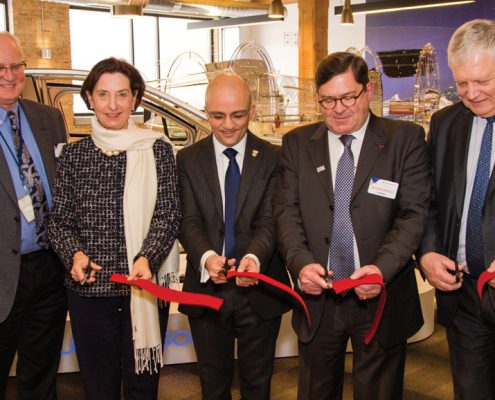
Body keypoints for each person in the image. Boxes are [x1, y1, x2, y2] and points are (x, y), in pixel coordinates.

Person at [273, 52, 430, 400]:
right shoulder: (297, 144)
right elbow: (286, 213)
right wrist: (300, 264)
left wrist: (380, 270)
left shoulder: (404, 139)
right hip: (319, 297)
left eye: (348, 97)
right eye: (328, 100)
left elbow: (413, 214)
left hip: (380, 295)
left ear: (368, 90)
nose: (338, 108)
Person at [48, 57, 180, 400]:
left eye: (122, 94)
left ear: (135, 98)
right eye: (103, 94)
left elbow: (168, 213)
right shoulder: (73, 157)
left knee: (142, 387)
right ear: (89, 98)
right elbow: (59, 220)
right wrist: (74, 255)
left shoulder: (157, 150)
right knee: (98, 386)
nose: (113, 104)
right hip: (90, 293)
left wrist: (146, 258)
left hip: (144, 288)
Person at [177, 72, 290, 400]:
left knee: (258, 386)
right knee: (213, 387)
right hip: (207, 291)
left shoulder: (273, 158)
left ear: (252, 110)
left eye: (238, 115)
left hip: (260, 291)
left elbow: (271, 221)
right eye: (218, 115)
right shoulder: (187, 159)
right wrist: (207, 257)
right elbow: (188, 220)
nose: (228, 124)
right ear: (205, 111)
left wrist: (253, 259)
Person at [419, 19, 495, 399]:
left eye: (482, 81)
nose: (471, 93)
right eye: (462, 83)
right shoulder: (446, 123)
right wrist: (429, 252)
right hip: (463, 294)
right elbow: (429, 199)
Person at [0, 32, 67, 400]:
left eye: (16, 66)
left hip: (49, 271)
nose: (10, 76)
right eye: (0, 69)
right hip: (2, 275)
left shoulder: (49, 119)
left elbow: (66, 191)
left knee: (40, 377)